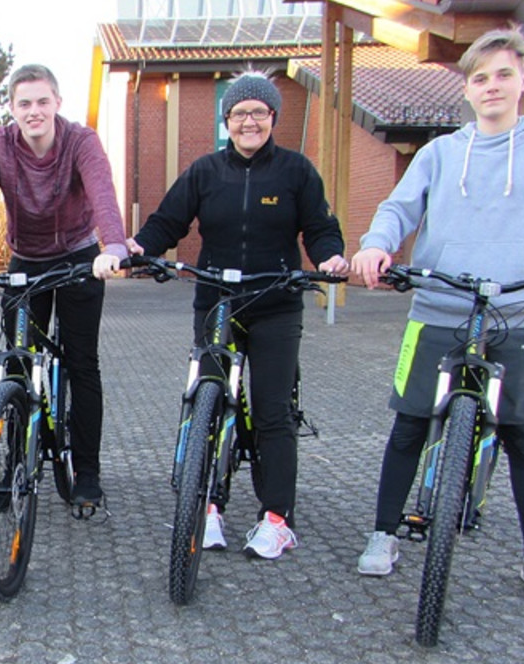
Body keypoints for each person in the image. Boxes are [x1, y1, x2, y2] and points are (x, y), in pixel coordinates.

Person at [351, 28, 524, 604]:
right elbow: (399, 208)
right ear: (466, 90)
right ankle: (382, 534)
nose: (491, 86)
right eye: (479, 78)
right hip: (438, 309)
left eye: (503, 74)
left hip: (519, 316)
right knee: (409, 425)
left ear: (523, 79)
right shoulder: (441, 153)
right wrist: (376, 244)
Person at [95, 70, 347, 558]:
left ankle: (277, 519)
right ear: (225, 120)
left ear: (273, 117)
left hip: (275, 304)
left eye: (258, 112)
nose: (249, 121)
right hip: (217, 302)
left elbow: (319, 228)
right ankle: (207, 507)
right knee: (207, 401)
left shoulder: (297, 171)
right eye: (239, 113)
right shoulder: (205, 172)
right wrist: (139, 246)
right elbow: (168, 220)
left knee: (273, 412)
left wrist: (330, 257)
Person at [0, 63, 128, 512]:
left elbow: (103, 194)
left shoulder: (80, 141)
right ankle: (13, 462)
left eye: (42, 101)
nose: (34, 111)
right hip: (25, 264)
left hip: (79, 258)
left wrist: (113, 245)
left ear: (57, 103)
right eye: (24, 103)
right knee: (16, 363)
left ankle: (87, 473)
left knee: (82, 362)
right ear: (11, 108)